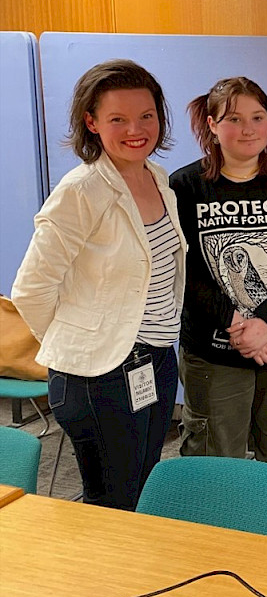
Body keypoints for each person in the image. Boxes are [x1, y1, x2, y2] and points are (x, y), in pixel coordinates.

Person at [12, 59, 186, 510]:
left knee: (144, 490)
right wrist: (77, 345)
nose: (136, 129)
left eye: (146, 115)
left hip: (156, 357)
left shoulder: (158, 180)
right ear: (91, 122)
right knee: (113, 503)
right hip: (98, 374)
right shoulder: (81, 190)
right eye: (118, 119)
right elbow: (31, 290)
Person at [169, 77, 267, 481]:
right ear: (211, 124)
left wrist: (266, 324)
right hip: (214, 350)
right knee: (213, 464)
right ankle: (214, 545)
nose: (248, 129)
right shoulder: (184, 186)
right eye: (234, 118)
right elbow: (184, 269)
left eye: (258, 117)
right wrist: (238, 325)